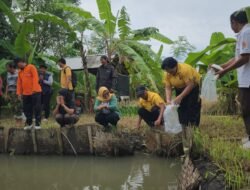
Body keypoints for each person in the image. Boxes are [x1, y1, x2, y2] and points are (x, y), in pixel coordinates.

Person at [215, 10, 250, 148]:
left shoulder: (246, 33)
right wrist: (221, 66)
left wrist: (225, 71)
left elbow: (246, 57)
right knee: (246, 109)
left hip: (248, 81)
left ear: (234, 22)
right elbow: (237, 57)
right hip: (245, 81)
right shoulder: (243, 34)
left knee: (247, 110)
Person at [161, 57, 201, 127]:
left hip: (193, 87)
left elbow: (190, 85)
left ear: (175, 65)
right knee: (181, 107)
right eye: (167, 71)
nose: (169, 73)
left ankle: (193, 127)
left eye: (171, 71)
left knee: (192, 106)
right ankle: (183, 125)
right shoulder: (167, 74)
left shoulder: (185, 69)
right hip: (179, 88)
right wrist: (168, 100)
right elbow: (168, 88)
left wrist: (180, 97)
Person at [15, 58, 42, 130]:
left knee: (37, 108)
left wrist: (34, 89)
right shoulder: (20, 72)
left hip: (35, 92)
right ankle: (29, 124)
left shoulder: (31, 67)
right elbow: (19, 83)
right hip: (25, 94)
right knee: (27, 109)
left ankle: (38, 124)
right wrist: (19, 93)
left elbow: (36, 78)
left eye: (18, 64)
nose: (18, 66)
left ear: (21, 62)